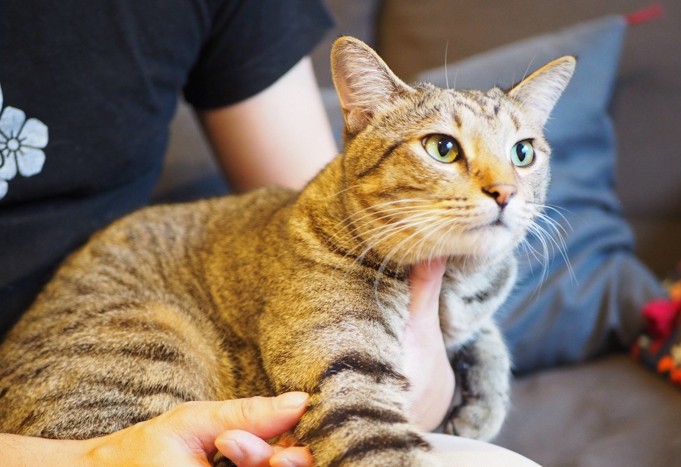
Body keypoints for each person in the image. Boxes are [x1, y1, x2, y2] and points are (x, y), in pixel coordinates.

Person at [0, 0, 454, 464]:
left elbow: (324, 221)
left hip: (220, 306)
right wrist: (92, 457)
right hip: (76, 380)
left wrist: (433, 387)